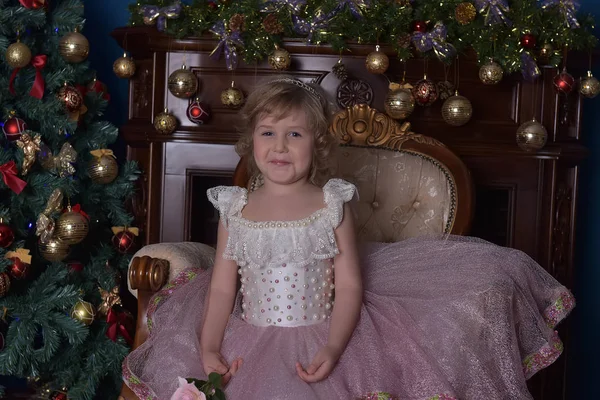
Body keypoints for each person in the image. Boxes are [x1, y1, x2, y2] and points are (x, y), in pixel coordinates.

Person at [123, 77, 574, 400]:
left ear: (317, 143)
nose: (279, 146)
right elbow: (223, 286)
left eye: (294, 134)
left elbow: (351, 285)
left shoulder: (332, 205)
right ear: (251, 141)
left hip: (325, 330)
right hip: (253, 338)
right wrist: (208, 346)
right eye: (268, 133)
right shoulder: (235, 208)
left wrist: (334, 346)